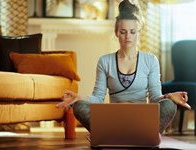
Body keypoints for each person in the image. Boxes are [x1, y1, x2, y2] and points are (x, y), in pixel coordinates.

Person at [56, 0, 191, 134]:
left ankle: (128, 134)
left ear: (139, 32)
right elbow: (98, 98)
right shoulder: (105, 61)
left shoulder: (151, 60)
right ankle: (128, 134)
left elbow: (155, 98)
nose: (128, 37)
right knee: (79, 106)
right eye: (123, 32)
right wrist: (79, 98)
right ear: (116, 33)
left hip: (142, 119)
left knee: (168, 105)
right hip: (114, 118)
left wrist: (169, 96)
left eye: (133, 32)